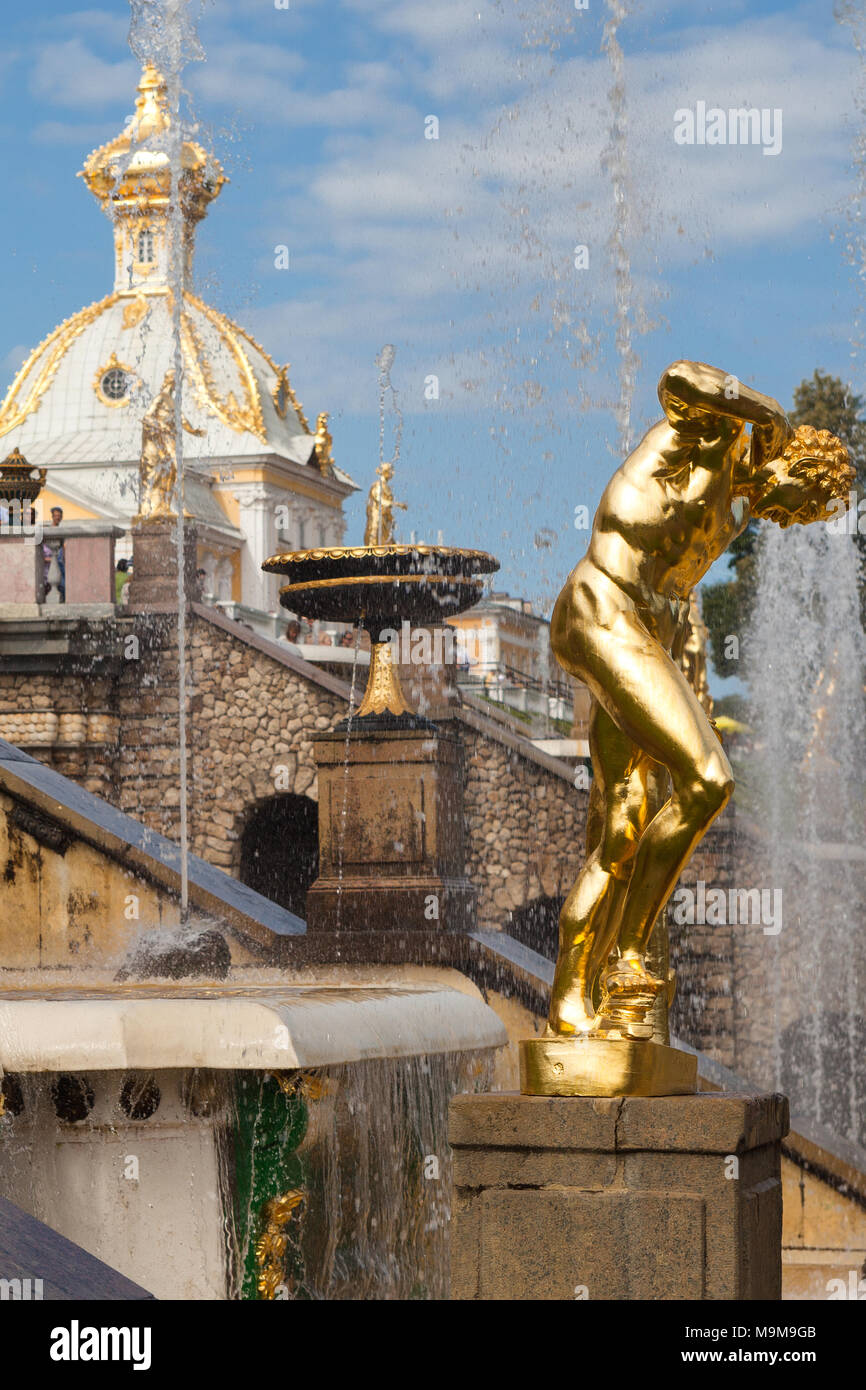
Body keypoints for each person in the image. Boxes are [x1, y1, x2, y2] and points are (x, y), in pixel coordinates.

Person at [547, 360, 852, 1040]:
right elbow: (679, 376)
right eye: (804, 499)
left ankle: (570, 998)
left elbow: (679, 604)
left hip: (637, 630)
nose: (794, 516)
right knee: (710, 780)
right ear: (796, 460)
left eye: (806, 517)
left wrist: (692, 686)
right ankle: (629, 958)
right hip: (603, 605)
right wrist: (767, 411)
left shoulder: (743, 506)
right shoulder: (717, 436)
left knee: (621, 833)